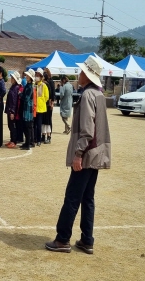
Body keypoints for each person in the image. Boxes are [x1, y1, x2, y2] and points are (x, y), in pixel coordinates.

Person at [45, 55, 111, 254]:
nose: (79, 75)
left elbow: (87, 130)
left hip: (87, 154)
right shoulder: (98, 95)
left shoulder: (87, 96)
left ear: (88, 76)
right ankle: (87, 239)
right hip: (97, 153)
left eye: (82, 72)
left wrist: (78, 154)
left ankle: (63, 239)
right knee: (87, 198)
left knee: (73, 197)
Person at [19, 69, 35, 150]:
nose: (26, 76)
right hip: (26, 109)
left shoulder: (29, 87)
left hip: (28, 110)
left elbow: (26, 98)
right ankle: (26, 143)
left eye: (28, 76)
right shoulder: (27, 86)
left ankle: (28, 144)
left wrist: (21, 95)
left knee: (27, 127)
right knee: (25, 127)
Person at [5, 71, 21, 148]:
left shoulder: (16, 88)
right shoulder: (12, 86)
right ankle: (11, 140)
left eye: (12, 78)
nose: (11, 79)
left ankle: (14, 141)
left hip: (12, 110)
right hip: (9, 109)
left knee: (13, 126)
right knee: (10, 126)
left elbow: (14, 101)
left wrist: (12, 112)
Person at [34, 68, 49, 147]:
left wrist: (41, 101)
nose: (37, 76)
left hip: (40, 108)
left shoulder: (44, 85)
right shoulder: (34, 84)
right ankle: (34, 138)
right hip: (34, 107)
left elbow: (47, 96)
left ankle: (39, 140)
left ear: (41, 76)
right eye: (36, 75)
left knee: (39, 125)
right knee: (34, 125)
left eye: (38, 75)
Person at [43, 68, 56, 144]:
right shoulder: (45, 82)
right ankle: (44, 135)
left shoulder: (50, 82)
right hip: (45, 103)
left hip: (49, 103)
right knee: (45, 120)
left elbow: (52, 93)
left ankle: (49, 135)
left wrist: (52, 103)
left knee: (48, 120)